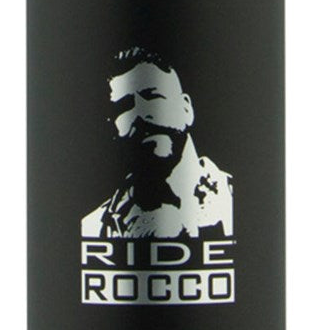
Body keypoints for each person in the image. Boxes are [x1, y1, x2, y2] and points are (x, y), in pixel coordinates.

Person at [81, 47, 233, 239]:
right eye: (124, 106)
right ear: (112, 125)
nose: (141, 114)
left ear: (186, 109)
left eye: (153, 96)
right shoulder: (92, 227)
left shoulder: (241, 200)